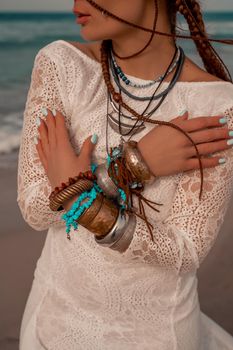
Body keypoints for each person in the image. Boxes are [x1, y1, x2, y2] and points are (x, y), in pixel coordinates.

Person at [17, 0, 233, 349]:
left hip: (157, 336)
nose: (77, 3)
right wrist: (126, 168)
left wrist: (78, 192)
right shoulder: (62, 65)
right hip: (52, 324)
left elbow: (184, 252)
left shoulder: (218, 105)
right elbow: (35, 209)